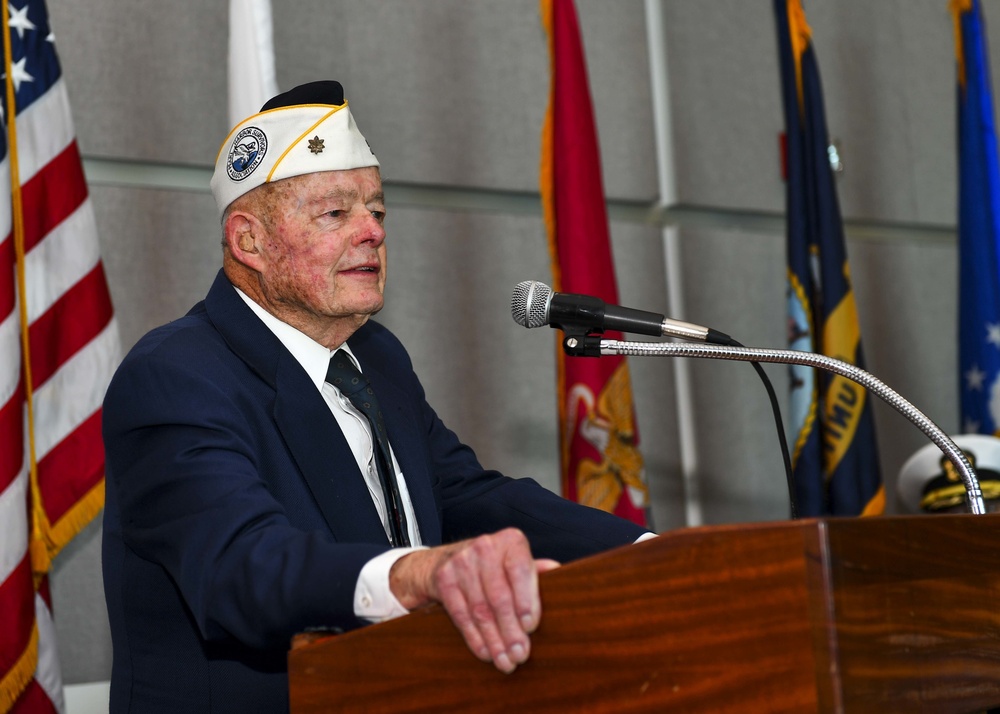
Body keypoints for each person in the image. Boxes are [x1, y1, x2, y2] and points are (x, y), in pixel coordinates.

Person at [101, 80, 650, 713]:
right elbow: (243, 565)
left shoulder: (376, 357)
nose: (371, 232)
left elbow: (461, 496)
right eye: (336, 213)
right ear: (248, 241)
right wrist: (417, 573)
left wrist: (648, 558)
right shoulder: (176, 375)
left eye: (377, 211)